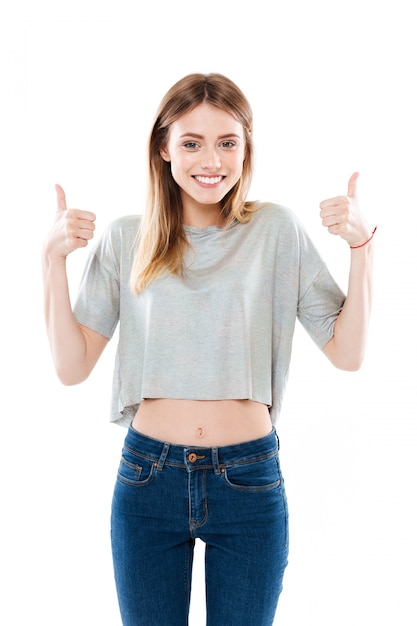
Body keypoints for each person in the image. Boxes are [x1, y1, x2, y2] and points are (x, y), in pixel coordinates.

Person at [42, 73, 375, 626]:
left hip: (248, 482)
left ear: (247, 149)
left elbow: (348, 352)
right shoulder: (130, 237)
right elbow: (71, 367)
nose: (210, 161)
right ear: (164, 148)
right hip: (148, 480)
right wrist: (51, 261)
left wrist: (362, 248)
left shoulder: (276, 230)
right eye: (191, 142)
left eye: (227, 142)